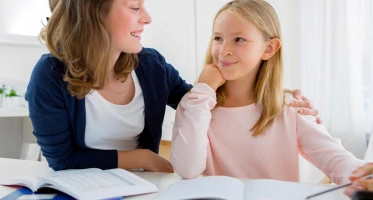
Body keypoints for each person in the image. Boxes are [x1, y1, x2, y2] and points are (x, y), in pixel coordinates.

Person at [25, 0, 321, 172]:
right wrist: (144, 158)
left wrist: (279, 100)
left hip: (143, 188)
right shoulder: (49, 76)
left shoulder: (151, 66)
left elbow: (206, 102)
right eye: (134, 7)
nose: (147, 17)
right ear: (93, 13)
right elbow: (62, 160)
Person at [170, 0, 368, 185]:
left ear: (269, 48)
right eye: (218, 38)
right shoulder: (195, 103)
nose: (224, 50)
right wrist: (203, 93)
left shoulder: (290, 107)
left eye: (239, 39)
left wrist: (365, 174)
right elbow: (188, 169)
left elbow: (335, 159)